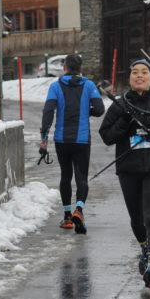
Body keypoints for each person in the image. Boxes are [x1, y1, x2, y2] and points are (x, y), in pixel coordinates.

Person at [99, 59, 150, 288]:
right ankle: (145, 248)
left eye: (144, 72)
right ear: (130, 78)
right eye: (135, 72)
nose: (140, 76)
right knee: (137, 219)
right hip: (129, 169)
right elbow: (107, 136)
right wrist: (124, 121)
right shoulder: (119, 105)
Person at [40, 54, 105, 233]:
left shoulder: (55, 86)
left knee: (65, 176)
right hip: (82, 140)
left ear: (64, 68)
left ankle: (67, 217)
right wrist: (87, 111)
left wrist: (44, 138)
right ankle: (79, 210)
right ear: (81, 68)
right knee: (81, 177)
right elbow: (100, 109)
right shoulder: (89, 85)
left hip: (62, 140)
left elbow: (48, 111)